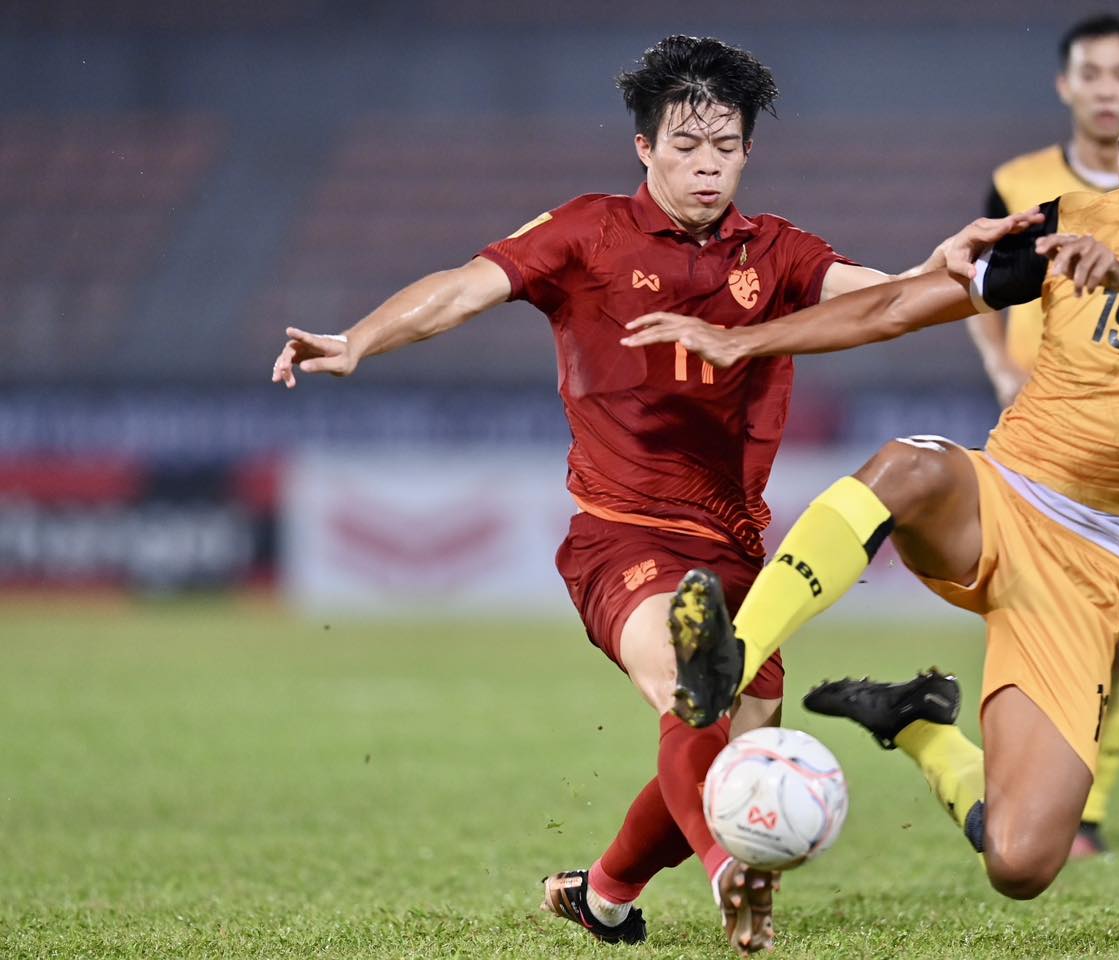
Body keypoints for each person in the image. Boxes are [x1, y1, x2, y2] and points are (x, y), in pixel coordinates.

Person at [269, 35, 1003, 955]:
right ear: (645, 148)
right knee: (694, 690)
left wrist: (954, 270)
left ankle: (603, 895)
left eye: (725, 146)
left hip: (737, 548)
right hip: (621, 536)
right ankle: (730, 875)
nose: (707, 165)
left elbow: (886, 299)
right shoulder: (587, 233)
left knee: (725, 739)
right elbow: (464, 288)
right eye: (686, 145)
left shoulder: (774, 252)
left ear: (747, 152)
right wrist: (360, 339)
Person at [623, 60, 1119, 901]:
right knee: (909, 465)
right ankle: (731, 661)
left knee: (1019, 862)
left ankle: (919, 727)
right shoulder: (1065, 225)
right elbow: (902, 304)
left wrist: (1118, 272)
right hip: (1001, 500)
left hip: (1090, 568)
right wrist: (747, 341)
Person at [971, 13, 1119, 859]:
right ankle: (1016, 797)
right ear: (1066, 84)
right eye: (1094, 71)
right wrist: (1001, 369)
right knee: (1019, 614)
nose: (1109, 85)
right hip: (1031, 433)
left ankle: (1086, 808)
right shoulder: (1018, 183)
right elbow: (973, 287)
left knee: (1118, 627)